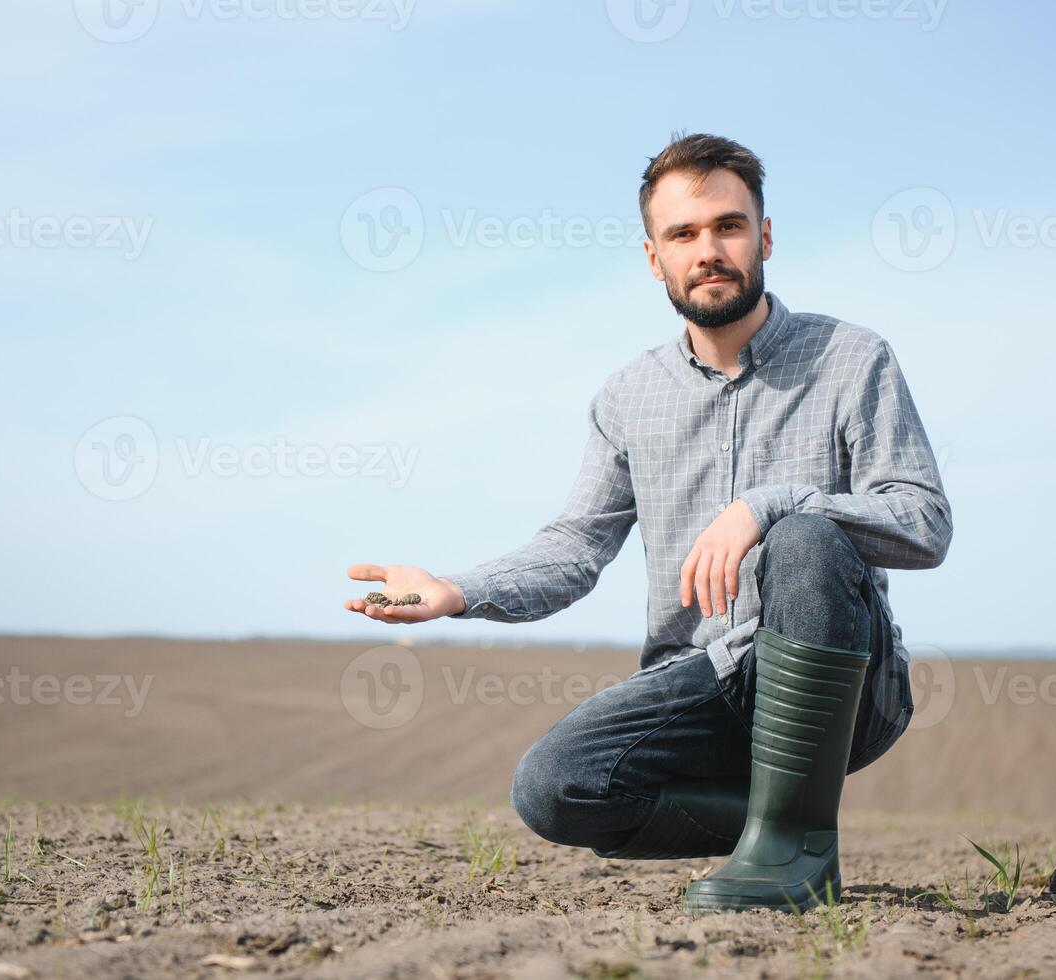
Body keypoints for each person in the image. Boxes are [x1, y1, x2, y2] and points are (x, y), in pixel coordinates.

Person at [342, 132, 952, 912]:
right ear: (652, 256)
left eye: (728, 226)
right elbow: (576, 545)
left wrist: (767, 504)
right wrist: (457, 590)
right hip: (704, 678)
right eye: (683, 234)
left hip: (843, 684)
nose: (708, 250)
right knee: (553, 786)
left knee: (800, 535)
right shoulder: (627, 397)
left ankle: (792, 851)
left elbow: (922, 521)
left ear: (763, 236)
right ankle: (787, 826)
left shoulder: (851, 359)